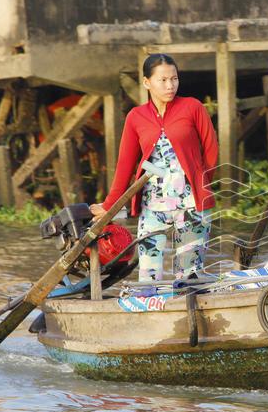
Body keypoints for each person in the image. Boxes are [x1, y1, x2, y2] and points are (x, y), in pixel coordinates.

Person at [91, 53, 218, 282]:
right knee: (148, 276)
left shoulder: (192, 107)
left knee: (189, 277)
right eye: (163, 80)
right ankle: (150, 313)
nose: (170, 86)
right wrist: (110, 205)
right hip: (152, 207)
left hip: (191, 204)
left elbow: (211, 150)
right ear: (147, 82)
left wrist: (202, 184)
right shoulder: (136, 117)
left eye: (174, 79)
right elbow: (125, 165)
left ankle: (187, 312)